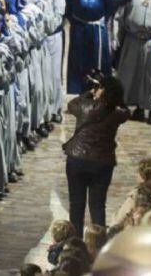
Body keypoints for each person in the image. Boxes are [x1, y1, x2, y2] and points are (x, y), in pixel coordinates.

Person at [63, 73, 129, 236]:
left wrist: (90, 93)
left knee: (76, 204)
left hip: (77, 160)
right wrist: (115, 98)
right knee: (98, 206)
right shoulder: (117, 114)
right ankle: (98, 243)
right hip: (102, 163)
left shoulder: (84, 107)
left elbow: (71, 104)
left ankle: (75, 241)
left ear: (102, 90)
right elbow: (127, 111)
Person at [64, 0, 134, 94]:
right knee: (79, 60)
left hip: (97, 27)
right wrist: (76, 21)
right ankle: (81, 91)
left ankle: (99, 91)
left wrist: (101, 18)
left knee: (99, 61)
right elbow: (68, 6)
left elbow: (110, 4)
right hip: (79, 27)